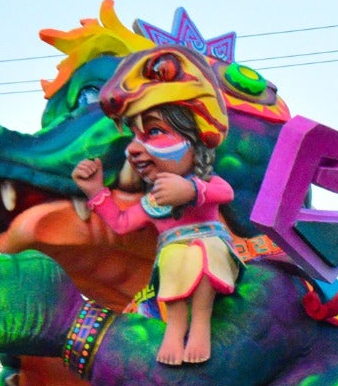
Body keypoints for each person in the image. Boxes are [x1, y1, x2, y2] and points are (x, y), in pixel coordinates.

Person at [71, 85, 238, 365]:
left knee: (206, 250)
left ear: (195, 141)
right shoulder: (153, 201)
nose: (133, 149)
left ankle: (200, 326)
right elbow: (122, 224)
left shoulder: (205, 181)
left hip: (211, 245)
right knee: (172, 256)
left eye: (155, 132)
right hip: (173, 253)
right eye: (134, 138)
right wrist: (95, 191)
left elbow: (226, 193)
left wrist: (191, 190)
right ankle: (175, 328)